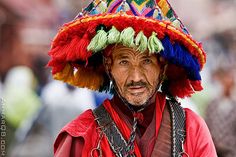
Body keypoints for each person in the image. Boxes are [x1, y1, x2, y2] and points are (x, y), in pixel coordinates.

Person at [47, 0, 217, 156]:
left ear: (163, 66)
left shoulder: (192, 129)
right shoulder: (82, 136)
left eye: (147, 61)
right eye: (123, 62)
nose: (136, 77)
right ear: (108, 65)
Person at [205, 67, 236, 157]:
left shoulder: (234, 105)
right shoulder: (213, 104)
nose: (227, 83)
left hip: (230, 151)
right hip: (213, 148)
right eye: (225, 80)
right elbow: (207, 124)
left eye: (230, 80)